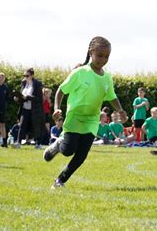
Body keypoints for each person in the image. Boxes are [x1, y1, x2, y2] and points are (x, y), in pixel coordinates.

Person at [43, 36, 127, 188]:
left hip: (92, 120)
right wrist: (57, 108)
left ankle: (60, 181)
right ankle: (59, 143)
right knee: (69, 151)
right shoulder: (80, 72)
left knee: (81, 155)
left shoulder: (107, 77)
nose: (103, 59)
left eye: (106, 56)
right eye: (100, 55)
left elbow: (111, 96)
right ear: (91, 52)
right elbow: (61, 90)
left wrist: (120, 110)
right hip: (75, 117)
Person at [14, 68, 45, 149]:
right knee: (22, 125)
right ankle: (18, 142)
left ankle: (38, 143)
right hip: (25, 108)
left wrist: (28, 97)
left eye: (27, 75)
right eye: (24, 75)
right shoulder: (24, 83)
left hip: (35, 109)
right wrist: (18, 98)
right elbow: (22, 95)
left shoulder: (37, 84)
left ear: (32, 76)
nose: (25, 77)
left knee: (36, 126)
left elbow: (39, 99)